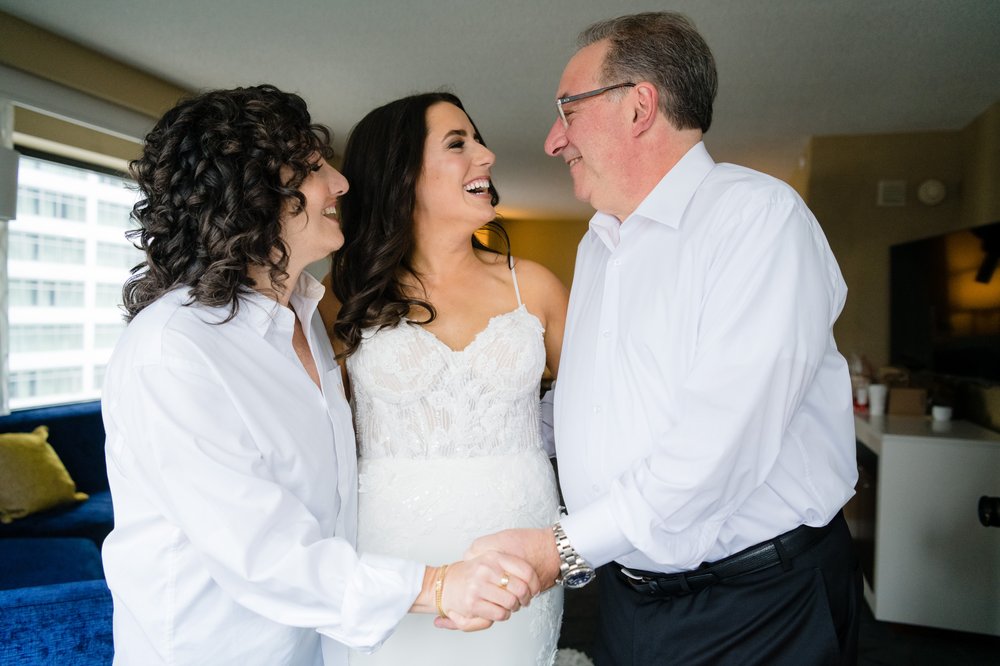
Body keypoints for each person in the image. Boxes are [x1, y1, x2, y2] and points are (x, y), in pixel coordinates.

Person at [468, 12, 862, 665]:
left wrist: (563, 547)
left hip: (760, 605)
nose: (552, 140)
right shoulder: (599, 245)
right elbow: (596, 399)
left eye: (567, 110)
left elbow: (718, 446)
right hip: (631, 598)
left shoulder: (758, 220)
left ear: (639, 107)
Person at [101, 84, 540, 666]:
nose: (342, 183)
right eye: (313, 168)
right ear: (256, 194)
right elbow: (260, 553)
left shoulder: (305, 320)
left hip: (323, 648)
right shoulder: (174, 350)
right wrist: (435, 585)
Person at [323, 91, 569, 665]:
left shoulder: (533, 286)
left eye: (477, 140)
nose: (485, 155)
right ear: (402, 174)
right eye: (458, 144)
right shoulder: (344, 298)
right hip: (392, 554)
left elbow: (601, 413)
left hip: (520, 548)